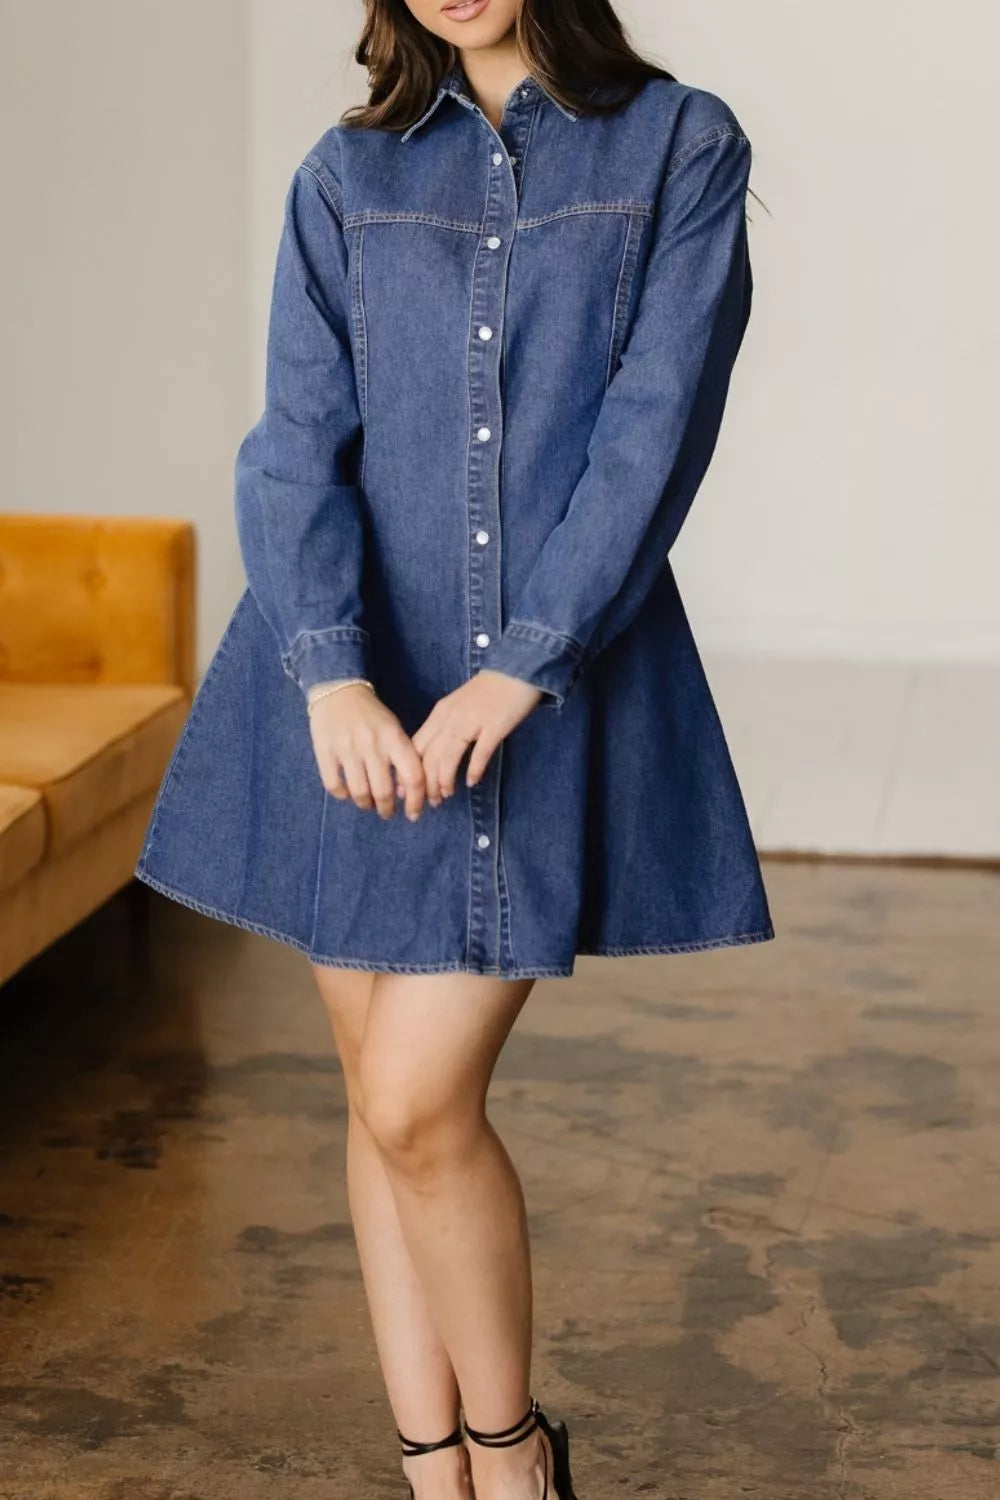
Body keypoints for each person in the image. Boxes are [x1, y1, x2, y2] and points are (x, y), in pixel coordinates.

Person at [135, 1, 775, 1495]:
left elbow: (653, 435)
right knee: (378, 1104)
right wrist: (327, 677)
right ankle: (437, 1471)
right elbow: (297, 442)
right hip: (343, 691)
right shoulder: (341, 179)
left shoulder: (680, 144)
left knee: (423, 1103)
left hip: (537, 692)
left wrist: (523, 669)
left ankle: (515, 1453)